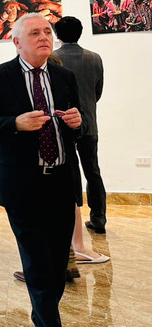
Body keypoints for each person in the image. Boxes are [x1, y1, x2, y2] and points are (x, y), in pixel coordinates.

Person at [0, 13, 83, 327]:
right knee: (37, 264)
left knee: (58, 263)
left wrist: (78, 123)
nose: (44, 37)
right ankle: (49, 321)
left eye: (47, 31)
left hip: (61, 182)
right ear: (18, 42)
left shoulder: (65, 77)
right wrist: (15, 124)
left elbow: (75, 128)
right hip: (23, 186)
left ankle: (43, 312)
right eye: (35, 33)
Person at [54, 16, 108, 235]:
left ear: (57, 34)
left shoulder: (52, 58)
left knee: (66, 172)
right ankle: (99, 219)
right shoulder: (95, 58)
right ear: (81, 32)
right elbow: (97, 92)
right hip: (89, 124)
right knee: (92, 171)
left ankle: (68, 221)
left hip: (62, 124)